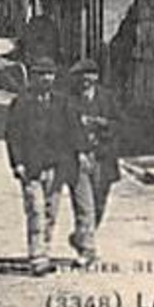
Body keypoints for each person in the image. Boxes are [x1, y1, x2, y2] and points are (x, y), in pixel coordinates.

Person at [4, 59, 71, 276]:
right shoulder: (22, 103)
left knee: (51, 211)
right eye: (42, 74)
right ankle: (37, 256)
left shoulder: (61, 103)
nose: (46, 78)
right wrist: (17, 163)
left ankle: (46, 249)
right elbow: (12, 135)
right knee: (35, 210)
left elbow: (70, 135)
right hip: (31, 167)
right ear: (33, 77)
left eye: (50, 74)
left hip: (55, 167)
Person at [58, 61, 120, 265]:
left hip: (104, 159)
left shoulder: (107, 98)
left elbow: (120, 124)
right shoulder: (68, 100)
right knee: (84, 205)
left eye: (90, 75)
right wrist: (77, 151)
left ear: (96, 78)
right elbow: (64, 129)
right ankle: (88, 250)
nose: (86, 80)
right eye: (82, 76)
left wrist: (103, 124)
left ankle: (80, 237)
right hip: (79, 160)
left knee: (99, 204)